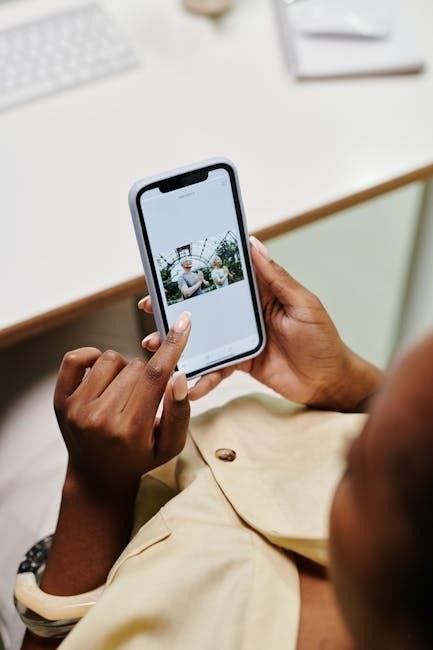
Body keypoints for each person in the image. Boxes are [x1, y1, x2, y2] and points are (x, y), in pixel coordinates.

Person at [18, 236, 432, 650]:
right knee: (125, 271)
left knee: (45, 283)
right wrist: (345, 385)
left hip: (82, 503)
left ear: (378, 561)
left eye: (352, 463)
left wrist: (95, 491)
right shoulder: (398, 527)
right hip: (226, 392)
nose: (349, 435)